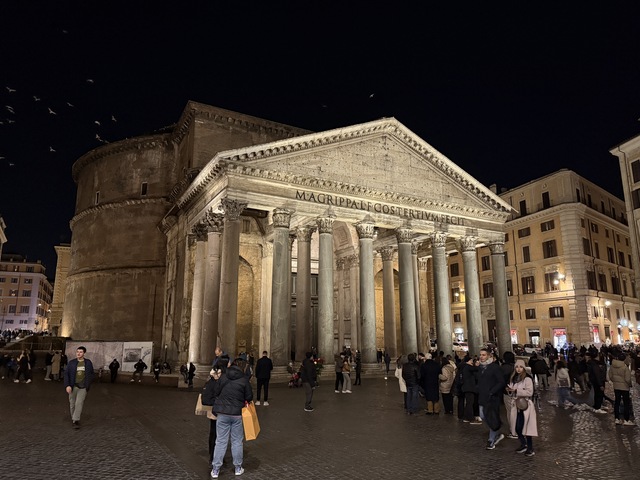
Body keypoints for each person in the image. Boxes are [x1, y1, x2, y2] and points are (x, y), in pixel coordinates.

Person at [210, 358, 253, 478]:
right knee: (237, 441)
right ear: (243, 367)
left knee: (220, 441)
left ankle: (215, 470)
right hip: (237, 414)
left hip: (222, 413)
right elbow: (249, 397)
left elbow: (216, 391)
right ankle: (238, 468)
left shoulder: (223, 377)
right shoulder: (244, 380)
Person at [506, 359, 537, 456]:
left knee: (527, 427)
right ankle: (524, 444)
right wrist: (510, 391)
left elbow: (529, 392)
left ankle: (530, 448)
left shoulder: (527, 378)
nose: (518, 369)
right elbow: (512, 390)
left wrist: (516, 390)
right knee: (517, 427)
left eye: (520, 367)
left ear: (523, 368)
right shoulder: (514, 377)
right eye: (516, 367)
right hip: (517, 405)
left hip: (525, 405)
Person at [203, 354, 229, 463]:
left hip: (213, 409)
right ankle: (218, 456)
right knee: (221, 434)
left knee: (213, 433)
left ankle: (212, 455)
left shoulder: (211, 377)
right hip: (222, 409)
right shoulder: (225, 378)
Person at [477, 348, 505, 450]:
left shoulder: (495, 367)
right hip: (482, 397)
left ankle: (491, 440)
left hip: (492, 398)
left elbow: (501, 382)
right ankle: (496, 429)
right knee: (483, 416)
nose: (481, 357)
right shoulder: (480, 368)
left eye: (483, 355)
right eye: (480, 355)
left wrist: (492, 391)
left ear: (489, 356)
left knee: (491, 417)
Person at [64, 346, 95, 429]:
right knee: (72, 404)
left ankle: (75, 420)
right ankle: (74, 419)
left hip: (83, 387)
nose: (78, 353)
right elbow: (66, 374)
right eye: (77, 351)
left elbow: (92, 374)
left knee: (79, 403)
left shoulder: (88, 363)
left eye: (80, 352)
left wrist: (88, 382)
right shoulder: (72, 363)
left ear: (84, 353)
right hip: (73, 386)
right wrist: (67, 385)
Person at [609, 352, 634, 425]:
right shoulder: (625, 367)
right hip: (624, 387)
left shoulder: (612, 366)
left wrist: (615, 381)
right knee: (626, 403)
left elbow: (610, 376)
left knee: (617, 402)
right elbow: (627, 379)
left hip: (616, 387)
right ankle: (626, 419)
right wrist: (629, 384)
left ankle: (617, 418)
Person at [501, 351, 517, 438]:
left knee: (510, 412)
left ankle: (513, 431)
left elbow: (501, 380)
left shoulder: (504, 368)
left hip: (508, 392)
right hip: (518, 392)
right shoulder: (516, 366)